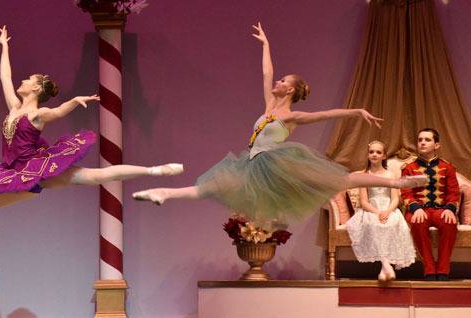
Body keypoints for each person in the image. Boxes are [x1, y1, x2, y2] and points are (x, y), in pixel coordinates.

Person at [0, 26, 182, 240]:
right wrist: (4, 47)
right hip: (14, 171)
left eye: (27, 79)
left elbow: (56, 113)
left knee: (97, 176)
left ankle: (156, 170)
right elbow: (4, 77)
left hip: (37, 169)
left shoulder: (36, 115)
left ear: (34, 89)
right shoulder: (14, 107)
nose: (21, 80)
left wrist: (74, 101)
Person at [133, 23, 428, 225]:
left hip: (276, 163)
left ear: (289, 90)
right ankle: (165, 193)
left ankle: (395, 182)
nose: (277, 81)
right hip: (251, 164)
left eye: (283, 81)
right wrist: (266, 44)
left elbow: (326, 114)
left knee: (339, 180)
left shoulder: (291, 116)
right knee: (212, 186)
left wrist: (356, 111)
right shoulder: (269, 107)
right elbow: (266, 73)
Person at [345, 141, 416, 281]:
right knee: (373, 224)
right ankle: (386, 265)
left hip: (389, 208)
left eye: (378, 152)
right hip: (371, 210)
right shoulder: (364, 176)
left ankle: (385, 268)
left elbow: (395, 199)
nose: (374, 155)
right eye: (371, 152)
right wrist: (377, 213)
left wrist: (388, 211)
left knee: (392, 224)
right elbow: (364, 202)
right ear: (368, 155)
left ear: (384, 156)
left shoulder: (390, 175)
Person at [401, 128, 460, 281]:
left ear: (437, 145)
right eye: (420, 140)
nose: (422, 143)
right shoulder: (409, 168)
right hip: (419, 209)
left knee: (449, 223)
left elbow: (453, 192)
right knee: (418, 222)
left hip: (441, 210)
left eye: (427, 140)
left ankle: (443, 270)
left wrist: (450, 208)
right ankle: (429, 269)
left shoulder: (448, 167)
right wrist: (415, 208)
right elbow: (406, 193)